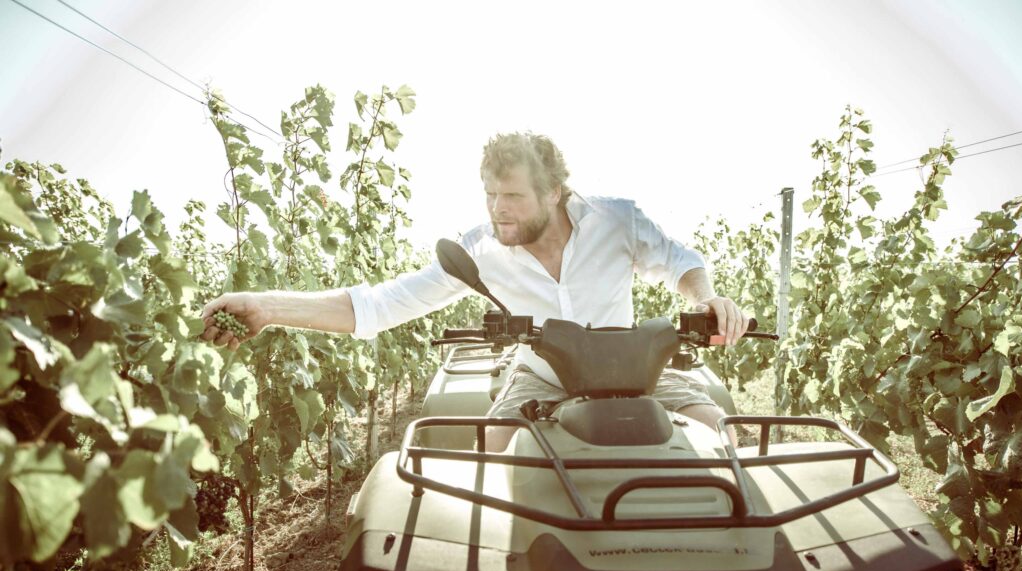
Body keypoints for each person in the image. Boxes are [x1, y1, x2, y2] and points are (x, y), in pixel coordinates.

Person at [201, 132, 748, 449]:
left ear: (555, 192)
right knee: (490, 459)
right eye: (490, 194)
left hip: (635, 378)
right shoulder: (479, 252)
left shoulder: (617, 221)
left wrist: (705, 300)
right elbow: (377, 305)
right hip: (541, 379)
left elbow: (680, 262)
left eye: (512, 195)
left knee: (717, 432)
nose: (497, 209)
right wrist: (265, 307)